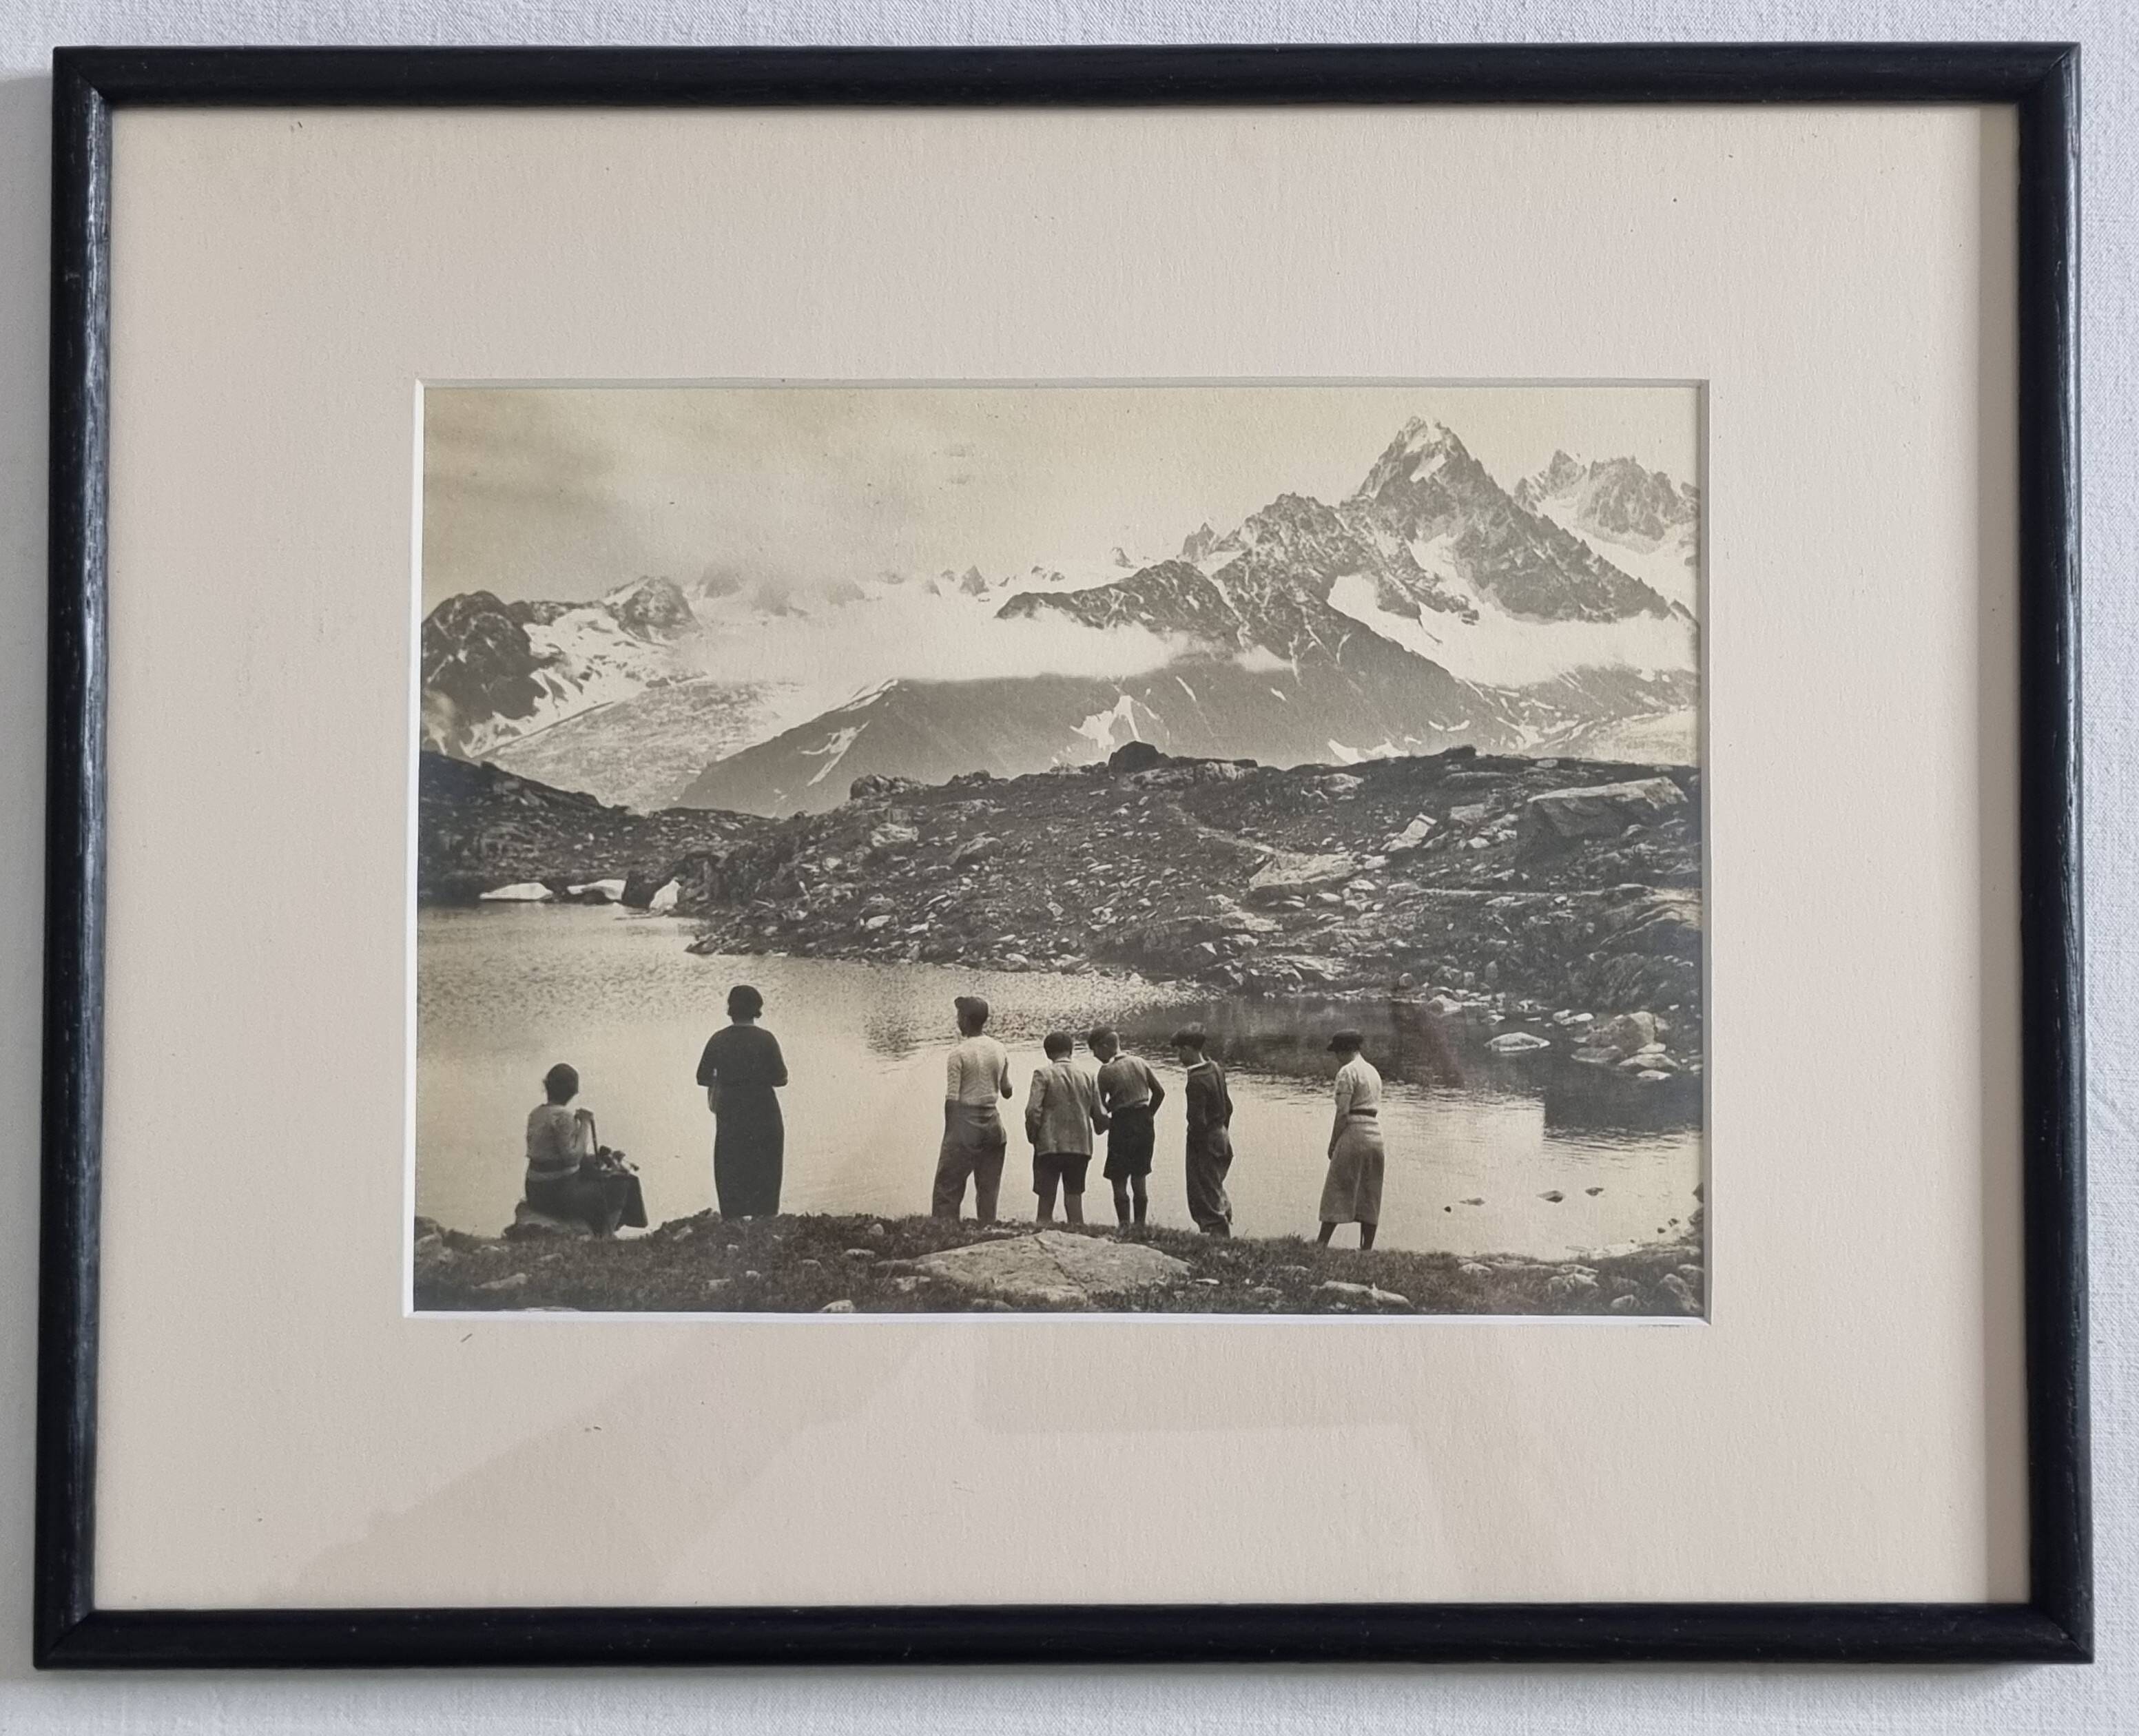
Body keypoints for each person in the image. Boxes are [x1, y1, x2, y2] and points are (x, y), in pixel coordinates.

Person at [695, 983, 789, 1219]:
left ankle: (733, 1219)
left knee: (731, 1164)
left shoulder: (718, 1039)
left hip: (731, 1111)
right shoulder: (767, 1039)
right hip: (764, 1110)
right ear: (757, 1009)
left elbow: (702, 1077)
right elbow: (781, 1079)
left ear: (731, 1009)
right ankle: (765, 1219)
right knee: (766, 1164)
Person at [522, 1062, 644, 1237]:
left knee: (599, 1171)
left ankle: (599, 1230)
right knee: (622, 1183)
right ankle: (606, 1234)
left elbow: (556, 1156)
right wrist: (585, 1123)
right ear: (573, 1092)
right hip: (557, 1194)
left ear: (547, 1086)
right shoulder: (563, 1116)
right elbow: (572, 1157)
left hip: (536, 1190)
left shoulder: (536, 1113)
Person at [933, 994, 1013, 1221]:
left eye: (959, 1016)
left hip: (967, 1123)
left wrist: (950, 1135)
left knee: (947, 1186)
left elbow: (952, 1099)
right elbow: (1007, 1091)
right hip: (993, 1123)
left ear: (966, 1020)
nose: (957, 1020)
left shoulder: (958, 1053)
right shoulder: (1000, 1048)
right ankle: (987, 1229)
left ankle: (944, 1232)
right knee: (988, 1187)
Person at [1025, 1031, 1109, 1224]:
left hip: (1049, 1144)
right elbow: (1100, 1114)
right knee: (1074, 1196)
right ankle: (1078, 1236)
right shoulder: (1088, 1076)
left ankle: (1042, 1236)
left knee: (1046, 1198)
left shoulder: (1042, 1074)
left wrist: (1033, 1135)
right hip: (1080, 1146)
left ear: (1048, 1053)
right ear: (1071, 1051)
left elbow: (1032, 1110)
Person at [1087, 1026, 1166, 1228]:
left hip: (1122, 1124)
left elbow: (1101, 1107)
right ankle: (1140, 1225)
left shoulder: (1106, 1072)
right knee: (1140, 1176)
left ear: (1104, 1047)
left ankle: (1124, 1225)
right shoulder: (1140, 1062)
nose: (1095, 1056)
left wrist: (1101, 1121)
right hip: (1144, 1124)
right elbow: (1159, 1093)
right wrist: (1149, 1115)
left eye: (1095, 1050)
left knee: (1119, 1176)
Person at [1317, 1029, 1385, 1250]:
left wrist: (1333, 1142)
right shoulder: (1373, 1071)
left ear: (1345, 1051)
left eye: (1337, 1052)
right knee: (1370, 1190)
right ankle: (1366, 1249)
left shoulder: (1347, 1072)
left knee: (1337, 1186)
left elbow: (1343, 1113)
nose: (1336, 1057)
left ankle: (1322, 1243)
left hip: (1354, 1130)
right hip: (1375, 1132)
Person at [1172, 1026, 1234, 1237]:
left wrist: (1197, 1148)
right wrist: (1223, 1129)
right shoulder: (1216, 1068)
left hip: (1205, 1140)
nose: (1179, 1056)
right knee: (1215, 1183)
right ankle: (1223, 1220)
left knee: (1201, 1189)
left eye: (1180, 1051)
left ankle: (1217, 1235)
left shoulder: (1196, 1080)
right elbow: (1228, 1106)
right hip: (1221, 1134)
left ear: (1189, 1049)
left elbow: (1196, 1121)